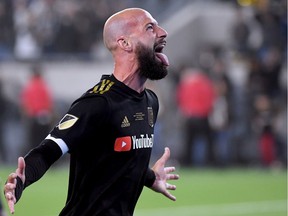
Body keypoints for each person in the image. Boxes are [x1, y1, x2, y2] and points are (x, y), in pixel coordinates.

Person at [4, 8, 179, 216]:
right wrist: (22, 180)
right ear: (125, 43)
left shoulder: (150, 102)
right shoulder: (98, 102)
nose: (162, 32)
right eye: (150, 27)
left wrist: (150, 178)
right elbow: (49, 149)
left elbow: (123, 159)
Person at [20, 64, 53, 154]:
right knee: (44, 140)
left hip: (33, 117)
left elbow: (25, 103)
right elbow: (49, 102)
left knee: (32, 141)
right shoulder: (43, 86)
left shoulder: (29, 86)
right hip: (44, 116)